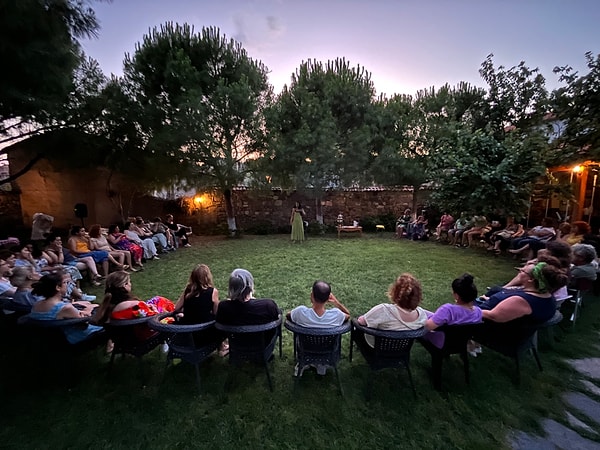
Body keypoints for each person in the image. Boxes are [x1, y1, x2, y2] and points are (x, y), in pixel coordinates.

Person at [28, 272, 104, 345]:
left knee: (86, 303)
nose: (67, 285)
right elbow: (84, 323)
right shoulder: (65, 308)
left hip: (51, 335)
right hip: (73, 336)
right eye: (65, 283)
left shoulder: (36, 304)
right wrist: (88, 310)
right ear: (58, 287)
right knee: (97, 309)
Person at [480, 262, 569, 324]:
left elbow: (493, 316)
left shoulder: (520, 301)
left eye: (523, 271)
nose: (520, 270)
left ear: (531, 279)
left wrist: (467, 309)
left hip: (488, 326)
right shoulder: (547, 295)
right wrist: (491, 300)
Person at [357, 273, 427, 347]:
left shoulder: (384, 310)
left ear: (395, 292)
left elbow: (361, 321)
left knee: (357, 327)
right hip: (402, 348)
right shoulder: (421, 316)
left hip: (378, 347)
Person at [174, 264, 226, 353]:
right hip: (204, 333)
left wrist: (186, 311)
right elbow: (216, 313)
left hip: (187, 334)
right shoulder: (212, 292)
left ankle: (222, 347)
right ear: (207, 277)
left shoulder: (188, 290)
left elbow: (177, 308)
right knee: (221, 321)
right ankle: (221, 348)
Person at [421, 273, 483, 349]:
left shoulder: (448, 310)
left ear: (457, 295)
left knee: (419, 315)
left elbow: (428, 327)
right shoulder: (478, 312)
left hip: (442, 343)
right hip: (461, 344)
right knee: (425, 313)